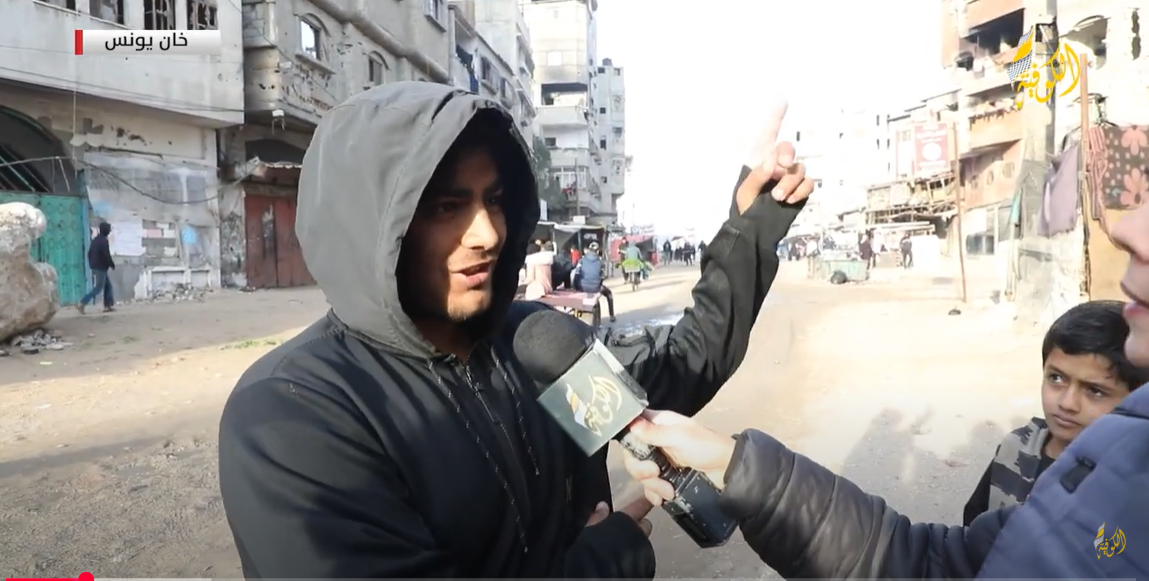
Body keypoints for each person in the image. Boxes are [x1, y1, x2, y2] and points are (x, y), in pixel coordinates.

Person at [217, 82, 814, 578]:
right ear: (371, 228)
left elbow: (685, 364)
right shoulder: (295, 412)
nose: (488, 234)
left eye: (495, 200)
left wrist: (751, 229)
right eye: (447, 207)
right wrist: (604, 562)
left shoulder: (538, 345)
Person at [620, 201, 1149, 579]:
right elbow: (940, 564)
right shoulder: (1090, 457)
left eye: (1095, 391)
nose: (1125, 227)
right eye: (1056, 378)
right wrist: (736, 468)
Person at [962, 300, 1149, 525]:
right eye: (1056, 378)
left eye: (1095, 391)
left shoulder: (1133, 486)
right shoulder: (1015, 448)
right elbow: (972, 533)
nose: (1067, 403)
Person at [77, 221, 115, 314]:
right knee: (98, 287)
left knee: (108, 285)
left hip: (97, 266)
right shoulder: (103, 241)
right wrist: (111, 264)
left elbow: (89, 253)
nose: (109, 231)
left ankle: (107, 306)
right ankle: (82, 302)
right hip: (101, 267)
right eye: (109, 229)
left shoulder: (96, 240)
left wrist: (92, 264)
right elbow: (106, 255)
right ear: (106, 230)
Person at [573, 242, 615, 322]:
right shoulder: (600, 262)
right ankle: (612, 316)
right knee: (609, 294)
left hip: (581, 287)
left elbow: (576, 274)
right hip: (595, 288)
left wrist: (576, 287)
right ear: (598, 251)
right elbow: (602, 276)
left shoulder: (581, 260)